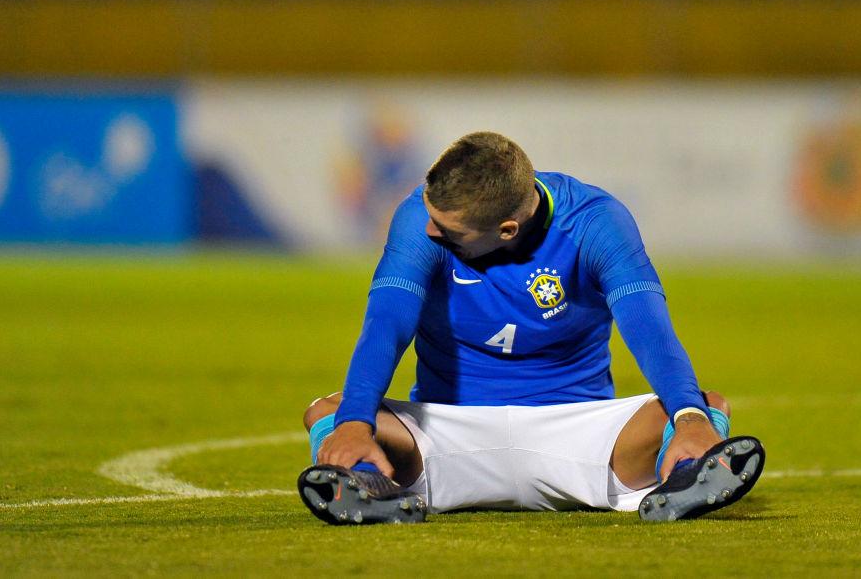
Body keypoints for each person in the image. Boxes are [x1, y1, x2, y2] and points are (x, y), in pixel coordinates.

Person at [298, 131, 764, 525]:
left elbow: (649, 328)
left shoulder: (595, 223)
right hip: (445, 432)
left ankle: (684, 476)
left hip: (582, 435)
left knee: (699, 408)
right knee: (331, 411)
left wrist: (688, 417)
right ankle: (370, 484)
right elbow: (387, 323)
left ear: (506, 230)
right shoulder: (420, 220)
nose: (432, 234)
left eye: (450, 232)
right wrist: (356, 423)